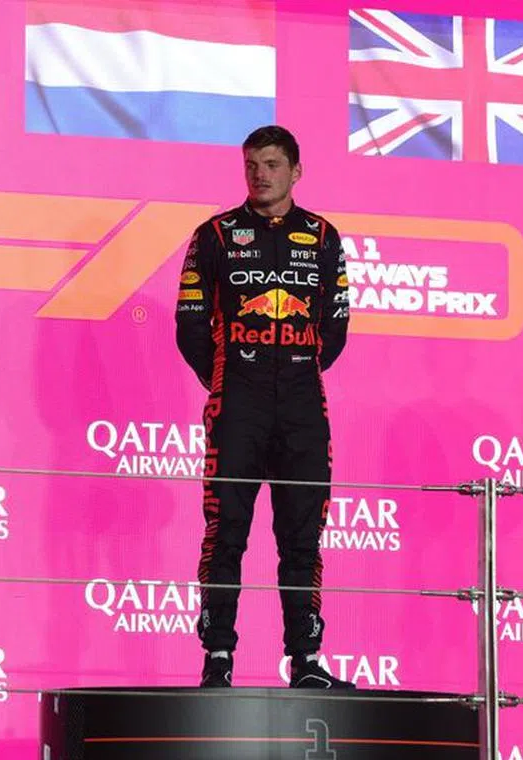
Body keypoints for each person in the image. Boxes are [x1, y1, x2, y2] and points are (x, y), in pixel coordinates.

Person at [175, 125, 353, 689]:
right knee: (226, 529)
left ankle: (305, 659)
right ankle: (218, 657)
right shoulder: (215, 235)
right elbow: (189, 326)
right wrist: (233, 375)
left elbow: (338, 325)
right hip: (239, 402)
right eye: (252, 163)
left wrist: (294, 368)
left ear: (295, 172)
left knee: (302, 534)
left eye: (272, 164)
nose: (260, 174)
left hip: (302, 401)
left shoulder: (323, 236)